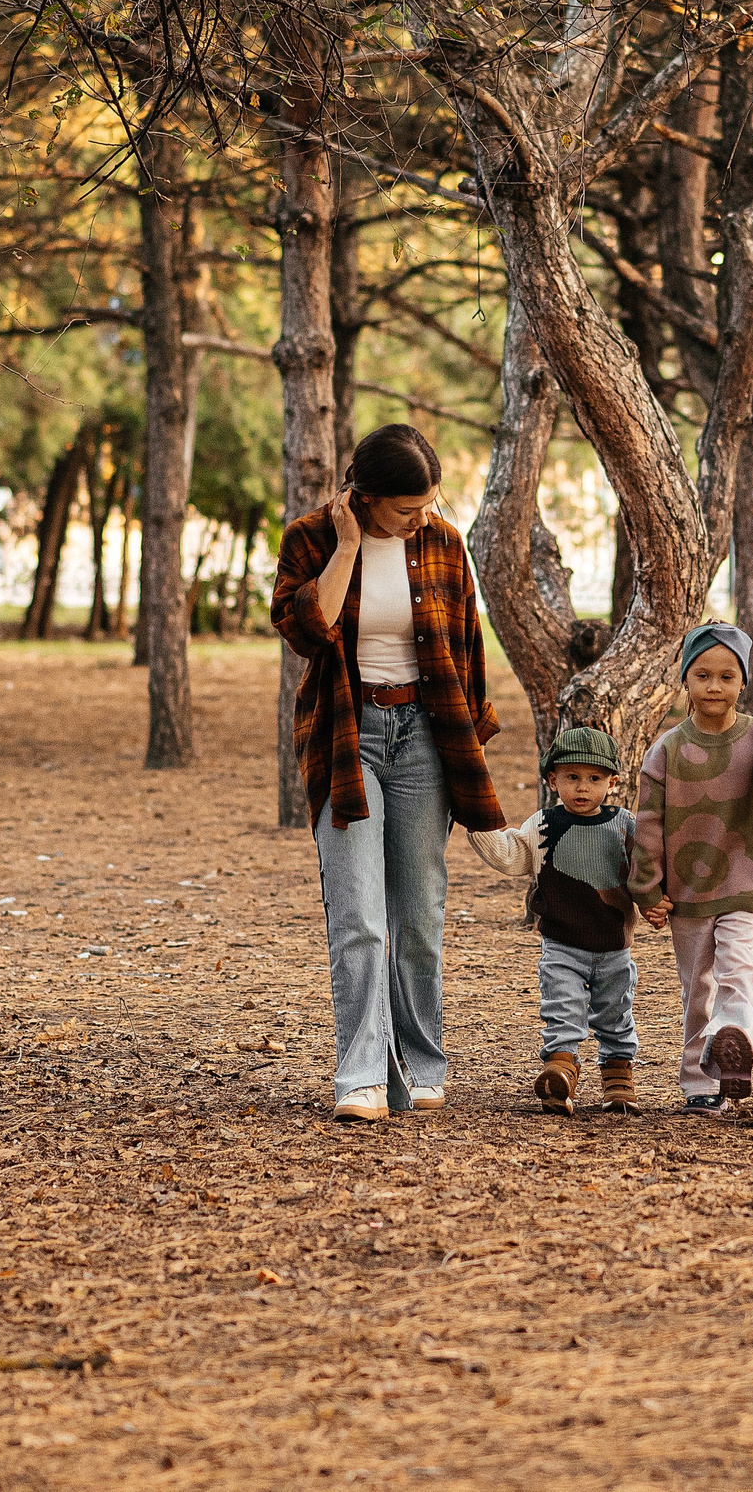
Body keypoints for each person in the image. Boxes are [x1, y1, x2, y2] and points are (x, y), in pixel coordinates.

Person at [271, 424, 507, 1125]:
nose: (420, 519)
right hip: (348, 735)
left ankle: (422, 1066)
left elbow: (467, 644)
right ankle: (362, 1075)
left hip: (425, 738)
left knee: (420, 914)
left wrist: (470, 743)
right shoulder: (311, 538)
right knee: (359, 916)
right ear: (366, 497)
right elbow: (305, 630)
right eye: (407, 508)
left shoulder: (443, 543)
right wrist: (347, 547)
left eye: (429, 504)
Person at [631, 623, 753, 1113]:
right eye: (702, 675)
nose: (714, 686)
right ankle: (700, 1083)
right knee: (697, 988)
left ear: (744, 682)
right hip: (687, 891)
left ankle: (734, 1041)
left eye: (726, 676)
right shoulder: (667, 750)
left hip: (746, 881)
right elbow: (648, 822)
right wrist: (647, 889)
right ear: (685, 680)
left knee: (739, 970)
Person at [470, 728, 643, 1115]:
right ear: (552, 780)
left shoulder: (624, 824)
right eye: (572, 777)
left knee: (616, 1013)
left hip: (614, 945)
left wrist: (657, 900)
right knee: (562, 1009)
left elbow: (646, 869)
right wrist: (476, 821)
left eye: (594, 778)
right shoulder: (542, 824)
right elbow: (513, 855)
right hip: (562, 946)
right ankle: (560, 1071)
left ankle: (618, 1076)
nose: (583, 787)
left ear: (613, 782)